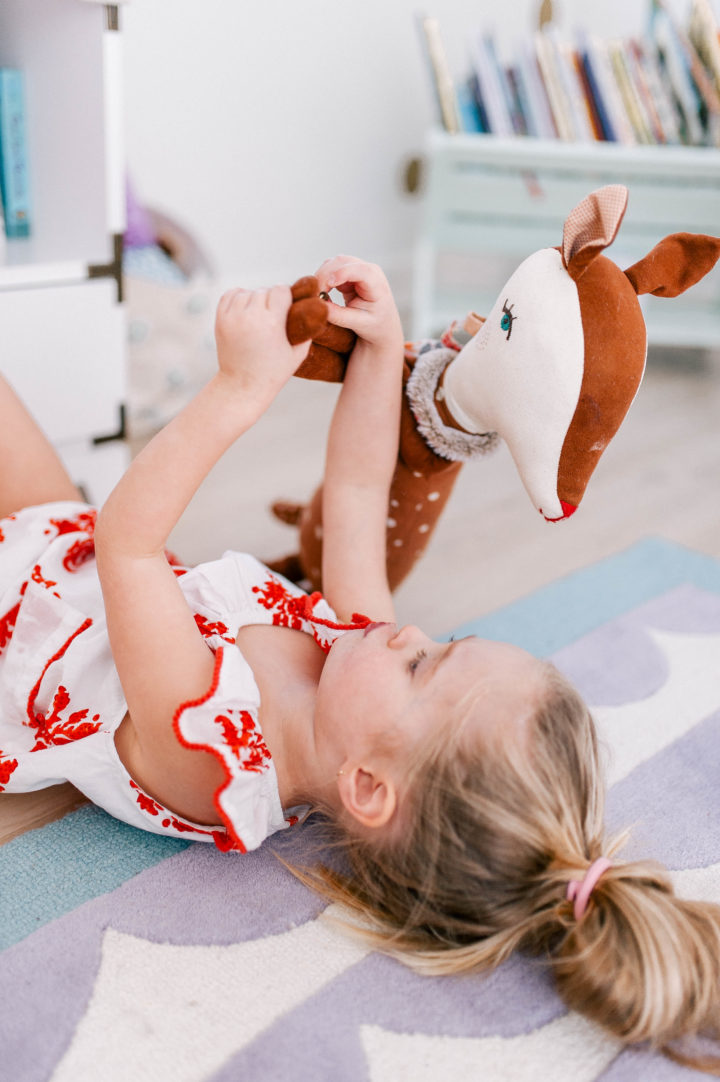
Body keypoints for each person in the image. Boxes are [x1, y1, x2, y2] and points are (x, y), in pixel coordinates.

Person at [1, 257, 719, 1071]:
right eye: (444, 644)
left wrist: (238, 390)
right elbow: (354, 492)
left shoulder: (208, 757)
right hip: (53, 548)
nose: (413, 638)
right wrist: (381, 354)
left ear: (369, 786)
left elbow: (128, 541)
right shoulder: (360, 651)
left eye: (424, 670)